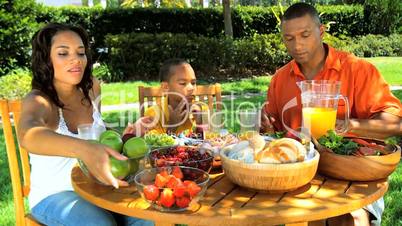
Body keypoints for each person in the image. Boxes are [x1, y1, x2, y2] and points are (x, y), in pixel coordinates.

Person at [260, 3, 402, 226]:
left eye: (305, 35)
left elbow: (395, 123)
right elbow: (273, 137)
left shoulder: (358, 70)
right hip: (301, 175)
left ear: (321, 31)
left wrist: (347, 125)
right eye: (289, 38)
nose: (297, 45)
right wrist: (266, 127)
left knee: (349, 218)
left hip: (352, 171)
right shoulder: (280, 79)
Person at [18, 23, 154, 226]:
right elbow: (28, 135)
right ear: (46, 58)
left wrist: (125, 136)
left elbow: (99, 134)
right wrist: (84, 149)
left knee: (148, 218)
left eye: (80, 53)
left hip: (98, 186)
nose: (76, 59)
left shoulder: (92, 88)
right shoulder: (39, 100)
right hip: (56, 194)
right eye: (63, 53)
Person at [143, 58, 204, 135]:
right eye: (182, 83)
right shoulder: (153, 114)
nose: (191, 88)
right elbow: (155, 145)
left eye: (193, 83)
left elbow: (212, 141)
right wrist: (172, 125)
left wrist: (200, 122)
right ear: (166, 87)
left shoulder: (200, 109)